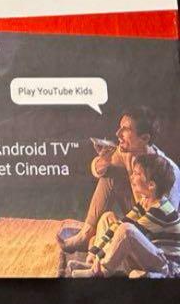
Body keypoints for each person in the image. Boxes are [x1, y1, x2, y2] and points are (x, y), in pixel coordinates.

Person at [58, 106, 180, 254]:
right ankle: (86, 234)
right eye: (120, 127)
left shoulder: (166, 171)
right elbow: (97, 170)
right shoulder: (126, 153)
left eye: (126, 129)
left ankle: (98, 244)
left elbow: (166, 220)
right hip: (134, 216)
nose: (118, 134)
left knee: (111, 235)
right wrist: (104, 161)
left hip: (155, 234)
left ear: (145, 139)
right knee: (110, 175)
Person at [68, 153, 180, 277]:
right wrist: (94, 253)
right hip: (146, 258)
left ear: (151, 185)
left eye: (137, 174)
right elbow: (119, 225)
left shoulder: (162, 209)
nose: (132, 177)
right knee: (107, 217)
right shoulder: (145, 202)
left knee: (127, 230)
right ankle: (94, 265)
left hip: (165, 267)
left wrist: (101, 255)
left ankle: (102, 270)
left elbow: (127, 234)